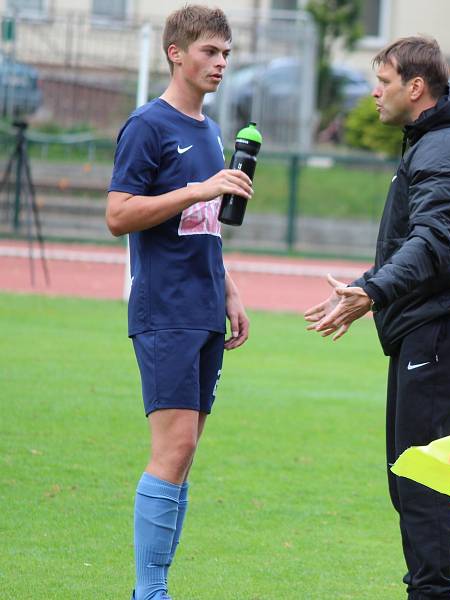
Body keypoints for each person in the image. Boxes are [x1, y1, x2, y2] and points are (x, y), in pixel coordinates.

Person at [304, 36, 450, 600]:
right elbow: (418, 244)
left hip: (442, 324)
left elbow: (432, 242)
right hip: (430, 322)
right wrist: (371, 288)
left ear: (416, 88)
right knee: (409, 473)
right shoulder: (433, 141)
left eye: (383, 82)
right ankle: (425, 586)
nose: (375, 93)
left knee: (422, 476)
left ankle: (431, 593)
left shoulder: (446, 149)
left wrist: (373, 289)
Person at [105, 6, 252, 599]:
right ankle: (150, 591)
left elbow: (201, 225)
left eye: (225, 53)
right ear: (176, 52)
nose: (220, 63)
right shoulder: (148, 125)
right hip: (164, 307)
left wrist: (230, 289)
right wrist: (198, 187)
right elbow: (118, 214)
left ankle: (157, 586)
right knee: (175, 446)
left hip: (203, 306)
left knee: (186, 454)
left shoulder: (207, 130)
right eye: (210, 52)